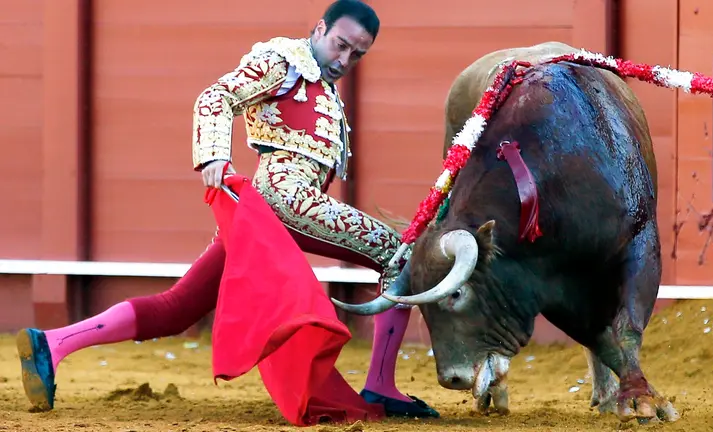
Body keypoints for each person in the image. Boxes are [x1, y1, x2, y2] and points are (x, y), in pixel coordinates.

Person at [15, 0, 439, 420]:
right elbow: (216, 97)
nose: (344, 60)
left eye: (357, 54)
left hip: (265, 215)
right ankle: (381, 386)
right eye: (341, 45)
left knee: (178, 306)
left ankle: (52, 344)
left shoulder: (319, 82)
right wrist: (214, 154)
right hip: (286, 198)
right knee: (399, 254)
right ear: (320, 28)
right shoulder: (284, 61)